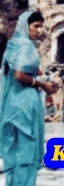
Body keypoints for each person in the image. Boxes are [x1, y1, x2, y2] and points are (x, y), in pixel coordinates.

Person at [0, 11, 58, 186]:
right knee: (27, 150)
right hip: (25, 102)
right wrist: (42, 85)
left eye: (41, 26)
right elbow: (19, 75)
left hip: (12, 101)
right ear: (25, 25)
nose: (39, 30)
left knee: (14, 148)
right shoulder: (26, 46)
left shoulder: (14, 44)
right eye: (36, 26)